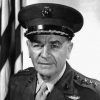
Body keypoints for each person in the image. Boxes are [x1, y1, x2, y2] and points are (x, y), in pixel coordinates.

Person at [5, 3, 100, 100]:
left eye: (54, 46)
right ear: (29, 48)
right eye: (37, 45)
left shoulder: (92, 95)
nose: (45, 55)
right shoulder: (17, 83)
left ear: (69, 49)